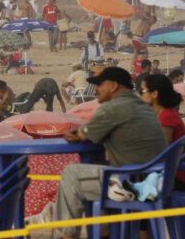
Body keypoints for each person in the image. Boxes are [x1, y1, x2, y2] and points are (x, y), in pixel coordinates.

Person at [56, 67, 167, 239]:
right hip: (154, 178)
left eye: (99, 85)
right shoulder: (142, 105)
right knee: (98, 171)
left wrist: (74, 134)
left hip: (132, 181)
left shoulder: (112, 108)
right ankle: (105, 232)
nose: (96, 89)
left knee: (71, 174)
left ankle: (67, 235)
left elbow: (81, 135)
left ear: (113, 86)